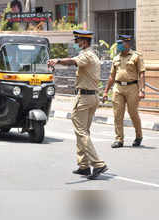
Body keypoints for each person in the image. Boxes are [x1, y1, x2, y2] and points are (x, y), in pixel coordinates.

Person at [47, 30, 108, 180]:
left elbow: (73, 61)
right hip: (92, 97)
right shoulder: (93, 54)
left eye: (79, 40)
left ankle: (98, 164)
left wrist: (58, 60)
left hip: (85, 98)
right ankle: (84, 166)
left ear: (85, 41)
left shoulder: (86, 54)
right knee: (83, 132)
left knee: (81, 131)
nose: (77, 42)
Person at [103, 35, 146, 148]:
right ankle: (119, 139)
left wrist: (142, 90)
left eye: (121, 43)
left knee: (133, 113)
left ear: (128, 44)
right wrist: (106, 91)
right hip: (118, 87)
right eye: (118, 43)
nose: (119, 46)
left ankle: (138, 136)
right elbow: (112, 76)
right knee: (117, 114)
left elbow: (141, 74)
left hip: (132, 87)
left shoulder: (136, 56)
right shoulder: (116, 58)